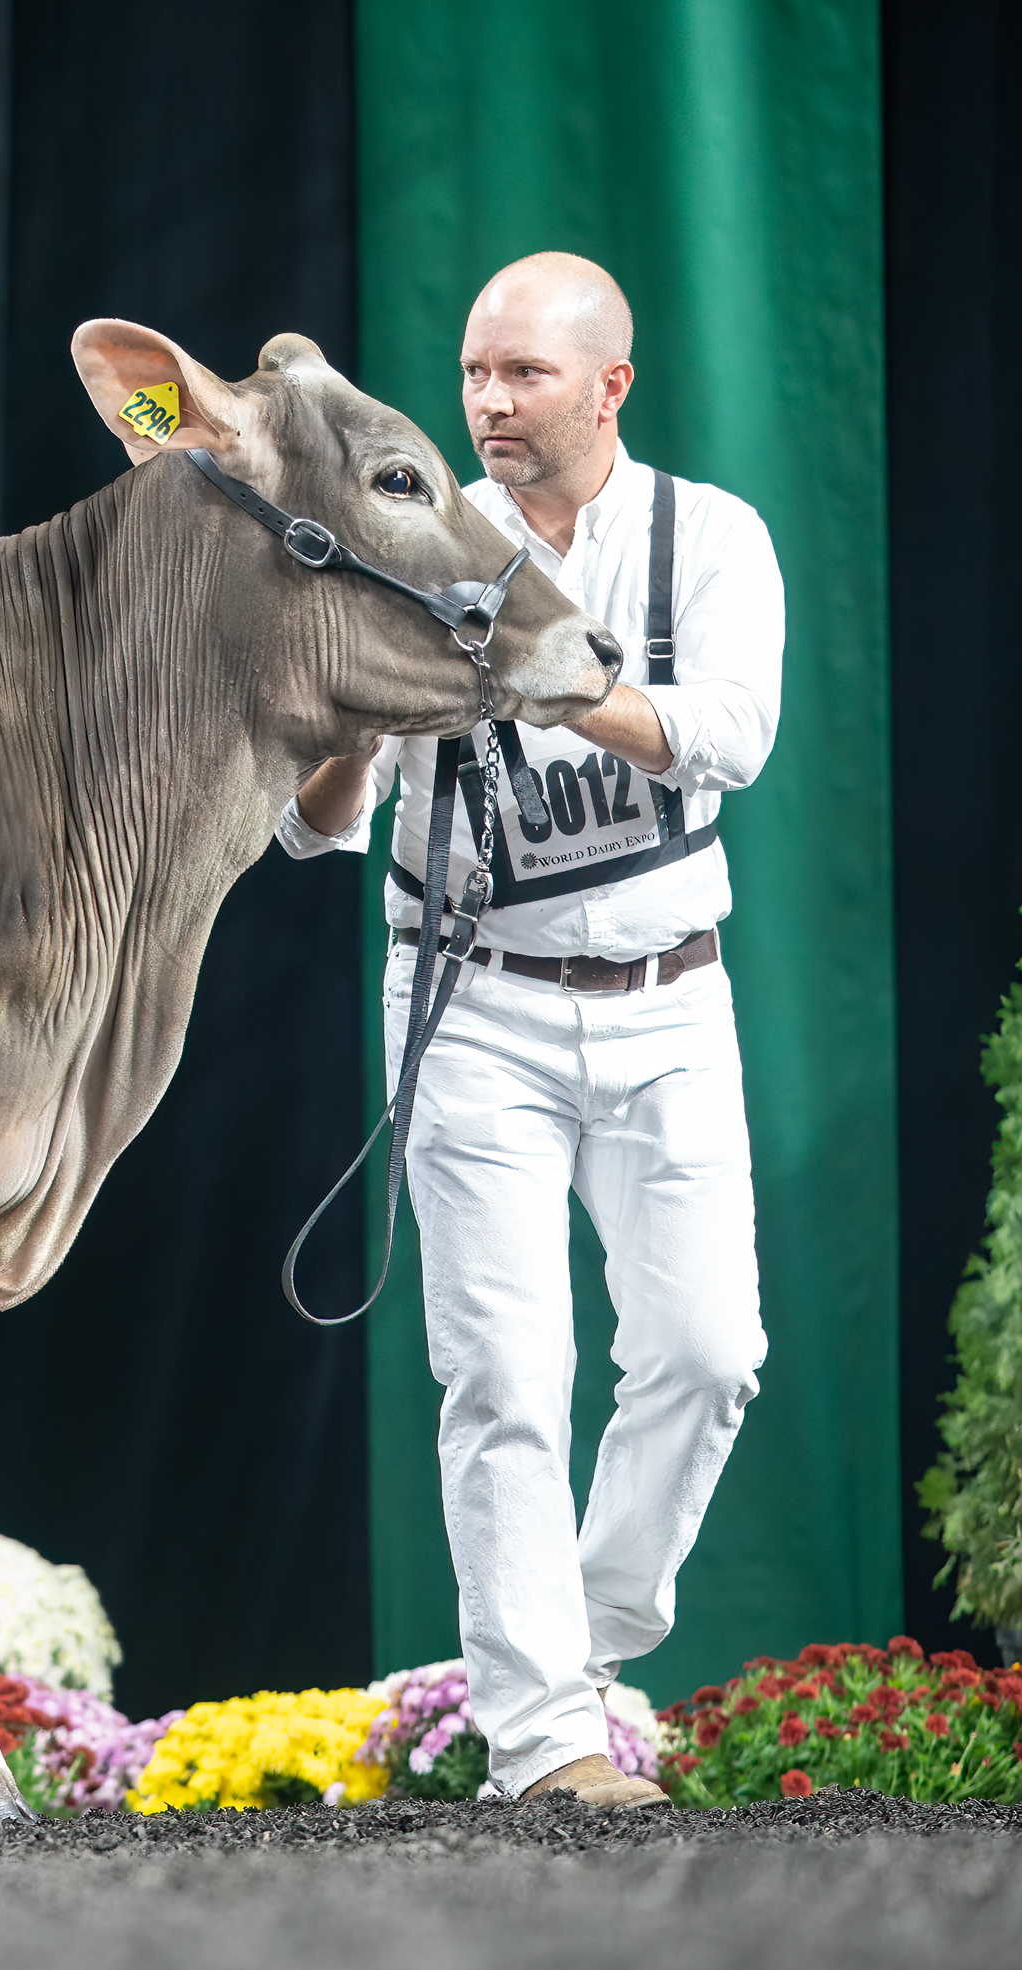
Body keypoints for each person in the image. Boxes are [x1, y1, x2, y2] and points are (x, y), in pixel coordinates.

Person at [280, 251, 782, 1807]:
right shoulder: (413, 543)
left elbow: (729, 738)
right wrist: (360, 728)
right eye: (474, 373)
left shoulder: (709, 536)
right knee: (503, 1374)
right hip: (472, 1002)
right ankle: (546, 1741)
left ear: (610, 387)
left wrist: (537, 671)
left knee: (710, 1356)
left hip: (669, 996)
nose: (488, 402)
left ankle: (583, 1628)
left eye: (524, 375)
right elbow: (314, 828)